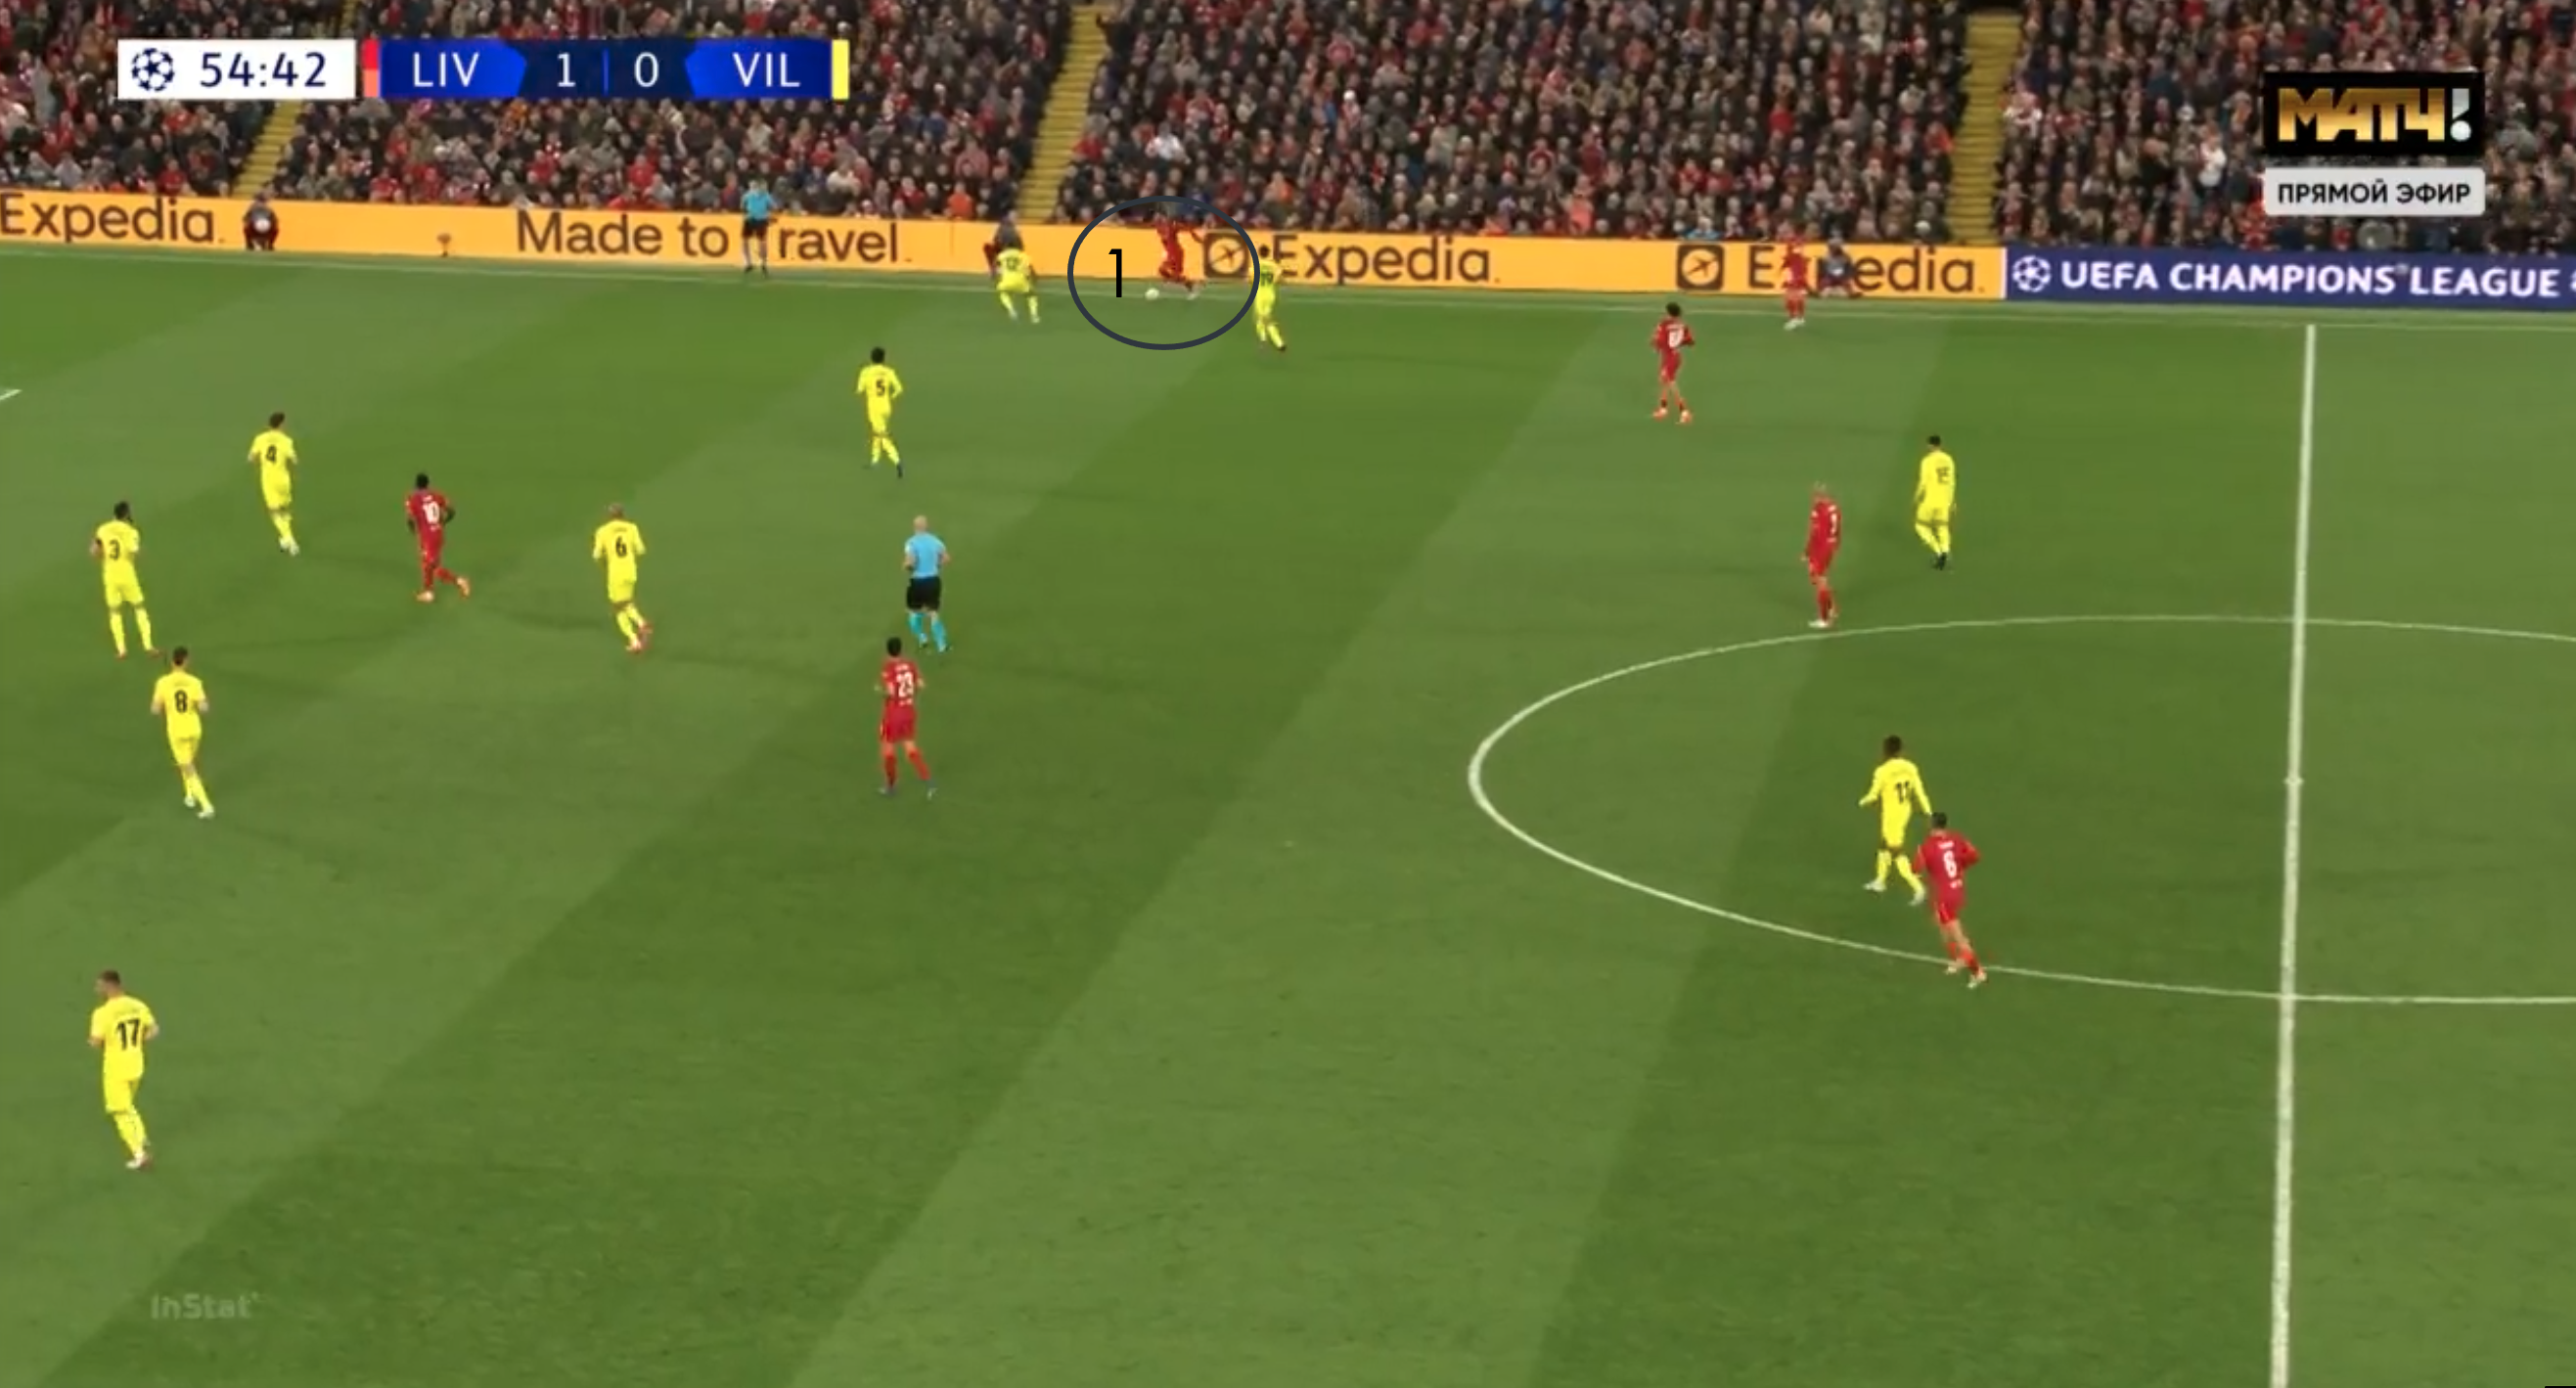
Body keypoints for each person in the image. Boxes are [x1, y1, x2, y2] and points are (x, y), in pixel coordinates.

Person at [88, 969, 158, 1169]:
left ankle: (139, 1154)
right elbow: (154, 1030)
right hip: (136, 1063)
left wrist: (96, 1042)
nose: (96, 989)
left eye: (99, 986)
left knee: (120, 1110)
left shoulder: (102, 1013)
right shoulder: (137, 1005)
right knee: (128, 1105)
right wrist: (137, 1041)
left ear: (109, 986)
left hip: (116, 1068)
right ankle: (141, 1137)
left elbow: (96, 1041)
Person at [1915, 813, 1988, 986]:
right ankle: (1958, 960)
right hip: (1957, 890)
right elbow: (1975, 856)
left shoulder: (1926, 847)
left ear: (1930, 825)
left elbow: (1915, 868)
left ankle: (1977, 973)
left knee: (1958, 936)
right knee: (1940, 923)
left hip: (1943, 896)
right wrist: (1959, 866)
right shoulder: (1957, 838)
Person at [1858, 734, 1929, 902]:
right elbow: (1920, 791)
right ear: (1901, 750)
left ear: (1884, 751)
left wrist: (1862, 801)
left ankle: (1918, 888)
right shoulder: (1910, 767)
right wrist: (1928, 811)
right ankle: (1880, 881)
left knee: (1896, 850)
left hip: (1891, 815)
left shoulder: (1882, 771)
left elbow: (1873, 795)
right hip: (1904, 811)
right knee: (1884, 845)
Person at [151, 647, 215, 820]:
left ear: (172, 662)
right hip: (194, 729)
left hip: (176, 731)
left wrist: (166, 707)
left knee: (187, 768)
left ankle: (206, 805)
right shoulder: (195, 682)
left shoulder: (162, 683)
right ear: (186, 661)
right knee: (189, 762)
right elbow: (204, 708)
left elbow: (155, 709)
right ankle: (190, 796)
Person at [91, 501, 155, 659]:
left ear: (114, 514)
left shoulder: (102, 529)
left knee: (114, 611)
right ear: (127, 515)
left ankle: (121, 650)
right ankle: (148, 646)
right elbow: (135, 552)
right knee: (139, 607)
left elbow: (94, 552)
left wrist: (104, 556)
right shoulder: (131, 531)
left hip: (110, 575)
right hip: (127, 574)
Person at [879, 636, 934, 797]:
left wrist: (882, 692)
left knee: (888, 751)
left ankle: (891, 786)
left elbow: (890, 692)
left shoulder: (888, 667)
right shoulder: (910, 664)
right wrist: (909, 696)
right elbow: (921, 684)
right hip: (909, 711)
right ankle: (928, 779)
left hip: (893, 714)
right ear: (900, 649)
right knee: (910, 747)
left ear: (888, 651)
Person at [592, 503, 651, 653]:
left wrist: (606, 561)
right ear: (622, 515)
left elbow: (597, 555)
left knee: (618, 607)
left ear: (609, 516)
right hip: (630, 571)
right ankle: (639, 628)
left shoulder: (602, 531)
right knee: (626, 602)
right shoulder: (632, 528)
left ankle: (636, 634)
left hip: (615, 574)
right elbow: (641, 550)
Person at [406, 473, 471, 602]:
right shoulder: (436, 495)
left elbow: (410, 519)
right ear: (428, 484)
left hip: (427, 537)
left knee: (433, 567)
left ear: (416, 485)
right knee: (426, 564)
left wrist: (413, 531)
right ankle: (428, 593)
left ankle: (459, 581)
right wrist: (443, 522)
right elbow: (451, 511)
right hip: (437, 533)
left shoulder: (413, 499)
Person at [249, 411, 298, 556]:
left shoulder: (260, 438)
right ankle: (286, 538)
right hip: (283, 479)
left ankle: (289, 539)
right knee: (284, 509)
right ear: (281, 424)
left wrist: (261, 462)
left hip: (268, 479)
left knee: (273, 511)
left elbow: (251, 458)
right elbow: (294, 460)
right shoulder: (286, 441)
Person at [903, 515, 949, 652]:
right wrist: (937, 565)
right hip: (933, 580)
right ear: (926, 526)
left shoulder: (911, 543)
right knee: (933, 613)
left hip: (917, 581)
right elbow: (946, 558)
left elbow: (911, 562)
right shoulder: (936, 541)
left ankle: (921, 637)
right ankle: (941, 645)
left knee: (914, 611)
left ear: (914, 527)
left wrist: (907, 566)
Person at [858, 347, 905, 474]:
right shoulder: (889, 371)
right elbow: (899, 389)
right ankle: (875, 460)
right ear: (884, 358)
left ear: (871, 358)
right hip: (886, 407)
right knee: (877, 432)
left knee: (882, 435)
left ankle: (897, 460)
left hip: (874, 408)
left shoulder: (866, 372)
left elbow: (860, 389)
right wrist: (890, 397)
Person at [1915, 435, 1957, 569]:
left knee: (1920, 526)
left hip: (1930, 501)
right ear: (1940, 444)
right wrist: (1952, 501)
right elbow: (1952, 482)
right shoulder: (1949, 459)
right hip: (1944, 501)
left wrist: (1916, 497)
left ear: (1930, 445)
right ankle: (1946, 551)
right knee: (1942, 527)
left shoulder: (1927, 461)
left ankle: (1938, 551)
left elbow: (1923, 482)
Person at [1804, 483, 1840, 629]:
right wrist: (1834, 546)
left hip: (1821, 548)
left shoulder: (1820, 510)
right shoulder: (1834, 508)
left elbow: (1815, 533)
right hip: (1829, 547)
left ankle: (1824, 619)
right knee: (1819, 578)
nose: (1813, 499)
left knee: (1819, 581)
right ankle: (1832, 609)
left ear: (1820, 497)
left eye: (1815, 496)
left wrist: (1808, 552)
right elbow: (1837, 531)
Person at [1651, 302, 1694, 423]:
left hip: (1668, 357)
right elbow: (1690, 341)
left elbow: (1658, 340)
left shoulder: (1664, 324)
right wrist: (1679, 343)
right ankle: (1663, 408)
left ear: (1668, 312)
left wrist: (1656, 347)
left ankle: (1684, 411)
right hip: (1676, 356)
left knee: (1670, 382)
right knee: (1664, 380)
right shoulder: (1683, 325)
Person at [1153, 211, 1202, 297]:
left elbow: (1185, 228)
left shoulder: (1172, 225)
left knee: (1175, 275)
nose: (1156, 219)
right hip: (1170, 253)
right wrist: (1165, 252)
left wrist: (1195, 236)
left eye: (1158, 218)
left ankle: (1191, 288)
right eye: (1156, 218)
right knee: (1162, 270)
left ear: (1164, 218)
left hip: (1177, 253)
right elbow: (1166, 242)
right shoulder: (1159, 229)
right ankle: (1176, 282)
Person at [1251, 246, 1286, 352]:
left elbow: (1251, 279)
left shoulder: (1256, 265)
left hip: (1259, 294)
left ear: (1259, 253)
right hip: (1270, 294)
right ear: (1268, 253)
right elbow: (1280, 277)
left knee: (1261, 318)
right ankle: (1269, 340)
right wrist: (1274, 281)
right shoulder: (1273, 265)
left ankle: (1276, 342)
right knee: (1265, 317)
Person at [995, 246, 1039, 324]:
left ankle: (1011, 310)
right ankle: (1034, 315)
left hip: (1006, 281)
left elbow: (997, 266)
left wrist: (998, 277)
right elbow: (1030, 268)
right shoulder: (1023, 255)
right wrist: (1035, 278)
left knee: (1003, 292)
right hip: (1021, 281)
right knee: (1031, 295)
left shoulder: (1002, 255)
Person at [741, 180, 775, 276]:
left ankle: (763, 263)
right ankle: (748, 262)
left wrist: (768, 214)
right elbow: (742, 205)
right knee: (745, 240)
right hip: (750, 219)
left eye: (765, 187)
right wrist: (745, 213)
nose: (765, 189)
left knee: (761, 242)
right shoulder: (749, 195)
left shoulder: (766, 196)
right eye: (763, 187)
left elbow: (773, 207)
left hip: (761, 220)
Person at [1781, 233, 1810, 331]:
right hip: (1796, 277)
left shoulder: (1795, 254)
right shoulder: (1796, 255)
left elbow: (1792, 257)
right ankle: (1800, 318)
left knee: (1791, 299)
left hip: (1796, 279)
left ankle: (1794, 319)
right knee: (1797, 299)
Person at [983, 212, 1021, 276]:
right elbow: (992, 238)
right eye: (1012, 217)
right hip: (1000, 246)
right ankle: (993, 268)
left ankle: (1004, 268)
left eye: (1015, 218)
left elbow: (1018, 243)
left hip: (1010, 249)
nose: (1013, 219)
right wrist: (996, 241)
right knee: (987, 247)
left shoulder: (1016, 229)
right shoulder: (999, 226)